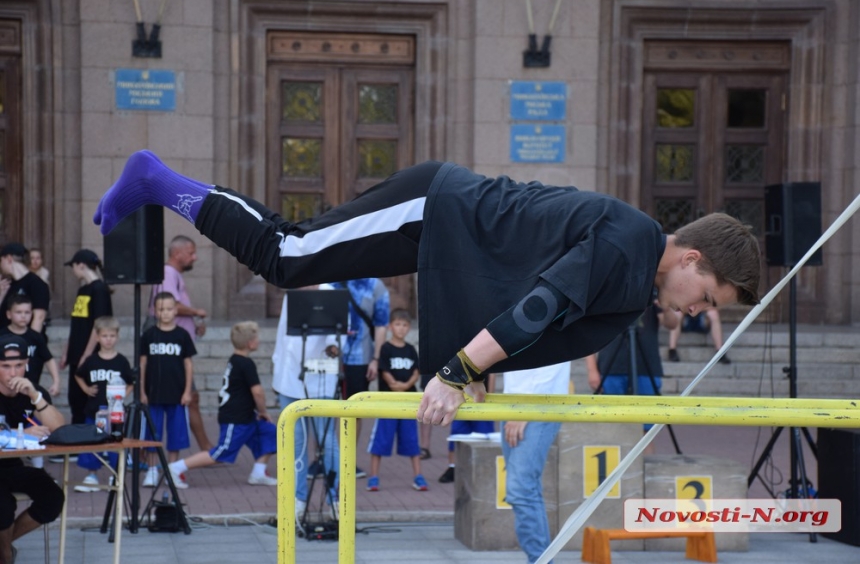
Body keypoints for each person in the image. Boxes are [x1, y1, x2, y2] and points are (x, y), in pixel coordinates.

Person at [93, 151, 762, 428]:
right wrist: (456, 370)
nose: (699, 311)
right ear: (693, 257)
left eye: (707, 310)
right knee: (289, 253)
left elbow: (530, 301)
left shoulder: (634, 263)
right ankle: (156, 179)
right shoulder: (632, 246)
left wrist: (469, 369)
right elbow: (539, 305)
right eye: (707, 295)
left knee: (289, 259)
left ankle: (158, 183)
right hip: (433, 209)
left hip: (445, 234)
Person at [167, 321, 277, 489]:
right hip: (236, 418)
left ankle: (259, 473)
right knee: (222, 452)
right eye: (257, 338)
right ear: (250, 343)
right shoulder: (246, 364)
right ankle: (175, 468)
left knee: (272, 434)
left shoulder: (235, 359)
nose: (259, 340)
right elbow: (258, 392)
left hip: (247, 416)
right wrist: (263, 411)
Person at [271, 287, 340, 522]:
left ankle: (335, 500)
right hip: (289, 378)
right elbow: (283, 337)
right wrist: (277, 372)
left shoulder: (330, 292)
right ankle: (297, 501)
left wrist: (335, 348)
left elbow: (336, 338)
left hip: (320, 379)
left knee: (327, 440)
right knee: (294, 442)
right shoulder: (291, 294)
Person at [0, 334, 65, 564]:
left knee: (53, 497)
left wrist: (35, 396)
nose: (13, 373)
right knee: (3, 506)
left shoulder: (32, 391)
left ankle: (2, 548)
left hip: (14, 465)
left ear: (27, 364)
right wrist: (20, 435)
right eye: (6, 366)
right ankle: (6, 556)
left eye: (19, 365)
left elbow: (59, 430)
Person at [586, 302, 680, 453]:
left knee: (645, 433)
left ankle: (643, 474)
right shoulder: (609, 290)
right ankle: (615, 473)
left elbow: (672, 324)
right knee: (612, 430)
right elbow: (588, 332)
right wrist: (592, 369)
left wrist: (665, 306)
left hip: (646, 367)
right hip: (611, 366)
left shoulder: (652, 290)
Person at [147, 235, 212, 452]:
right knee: (187, 398)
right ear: (177, 253)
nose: (195, 257)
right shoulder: (168, 273)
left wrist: (193, 323)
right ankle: (205, 449)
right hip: (167, 353)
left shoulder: (173, 274)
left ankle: (205, 448)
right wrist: (196, 311)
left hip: (177, 347)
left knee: (191, 398)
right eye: (191, 252)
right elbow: (169, 304)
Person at [501, 362, 571, 564]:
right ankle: (541, 559)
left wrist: (526, 409)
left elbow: (554, 359)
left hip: (540, 405)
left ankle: (540, 560)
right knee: (526, 489)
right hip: (510, 403)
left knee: (520, 489)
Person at [324, 279, 388, 477]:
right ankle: (326, 458)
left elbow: (381, 325)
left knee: (353, 411)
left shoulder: (374, 285)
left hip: (360, 357)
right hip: (328, 357)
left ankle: (347, 460)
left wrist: (376, 359)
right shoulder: (329, 281)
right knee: (325, 408)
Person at [366, 309, 428, 492]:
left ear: (409, 328)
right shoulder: (385, 348)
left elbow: (416, 371)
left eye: (405, 325)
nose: (401, 329)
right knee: (380, 440)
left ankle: (418, 476)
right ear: (391, 326)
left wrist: (407, 384)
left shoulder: (410, 349)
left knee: (412, 440)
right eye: (397, 324)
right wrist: (394, 384)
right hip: (388, 403)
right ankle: (374, 477)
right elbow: (384, 372)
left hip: (408, 403)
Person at [140, 292, 196, 487]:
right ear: (155, 311)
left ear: (176, 310)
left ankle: (173, 470)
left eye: (169, 309)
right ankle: (152, 471)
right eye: (161, 309)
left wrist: (187, 391)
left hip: (177, 393)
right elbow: (143, 364)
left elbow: (188, 365)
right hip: (153, 394)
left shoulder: (182, 335)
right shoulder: (148, 335)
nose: (165, 313)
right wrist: (142, 392)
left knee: (176, 434)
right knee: (152, 434)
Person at [72, 316, 133, 492]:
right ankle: (92, 475)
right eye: (105, 336)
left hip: (115, 414)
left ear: (117, 337)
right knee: (93, 442)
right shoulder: (91, 360)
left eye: (112, 336)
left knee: (115, 442)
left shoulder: (121, 361)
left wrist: (122, 397)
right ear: (97, 337)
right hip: (95, 411)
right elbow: (78, 374)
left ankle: (117, 475)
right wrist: (86, 389)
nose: (108, 339)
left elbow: (131, 382)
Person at [59, 249, 112, 425]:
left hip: (90, 356)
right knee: (75, 400)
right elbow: (77, 324)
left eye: (73, 266)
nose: (73, 271)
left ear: (81, 265)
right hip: (77, 354)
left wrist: (86, 355)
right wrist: (67, 352)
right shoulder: (83, 290)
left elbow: (99, 325)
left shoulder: (99, 290)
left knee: (87, 402)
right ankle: (76, 443)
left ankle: (87, 445)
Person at [438, 374, 495, 484]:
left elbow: (492, 374)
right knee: (457, 434)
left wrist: (490, 396)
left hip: (481, 397)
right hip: (462, 396)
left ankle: (485, 469)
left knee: (484, 437)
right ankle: (452, 467)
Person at [0, 295, 60, 397]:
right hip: (5, 391)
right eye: (18, 312)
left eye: (27, 312)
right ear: (9, 314)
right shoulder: (2, 336)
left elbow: (48, 359)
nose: (23, 316)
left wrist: (56, 381)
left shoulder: (36, 337)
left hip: (30, 389)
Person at [0, 243, 49, 335]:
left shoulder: (36, 283)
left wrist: (30, 344)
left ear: (9, 259)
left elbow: (39, 317)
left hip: (23, 342)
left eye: (1, 260)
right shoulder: (9, 284)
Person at [667, 307, 731, 364]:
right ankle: (672, 350)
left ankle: (720, 352)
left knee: (713, 313)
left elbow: (716, 306)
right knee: (677, 313)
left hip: (702, 318)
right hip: (686, 319)